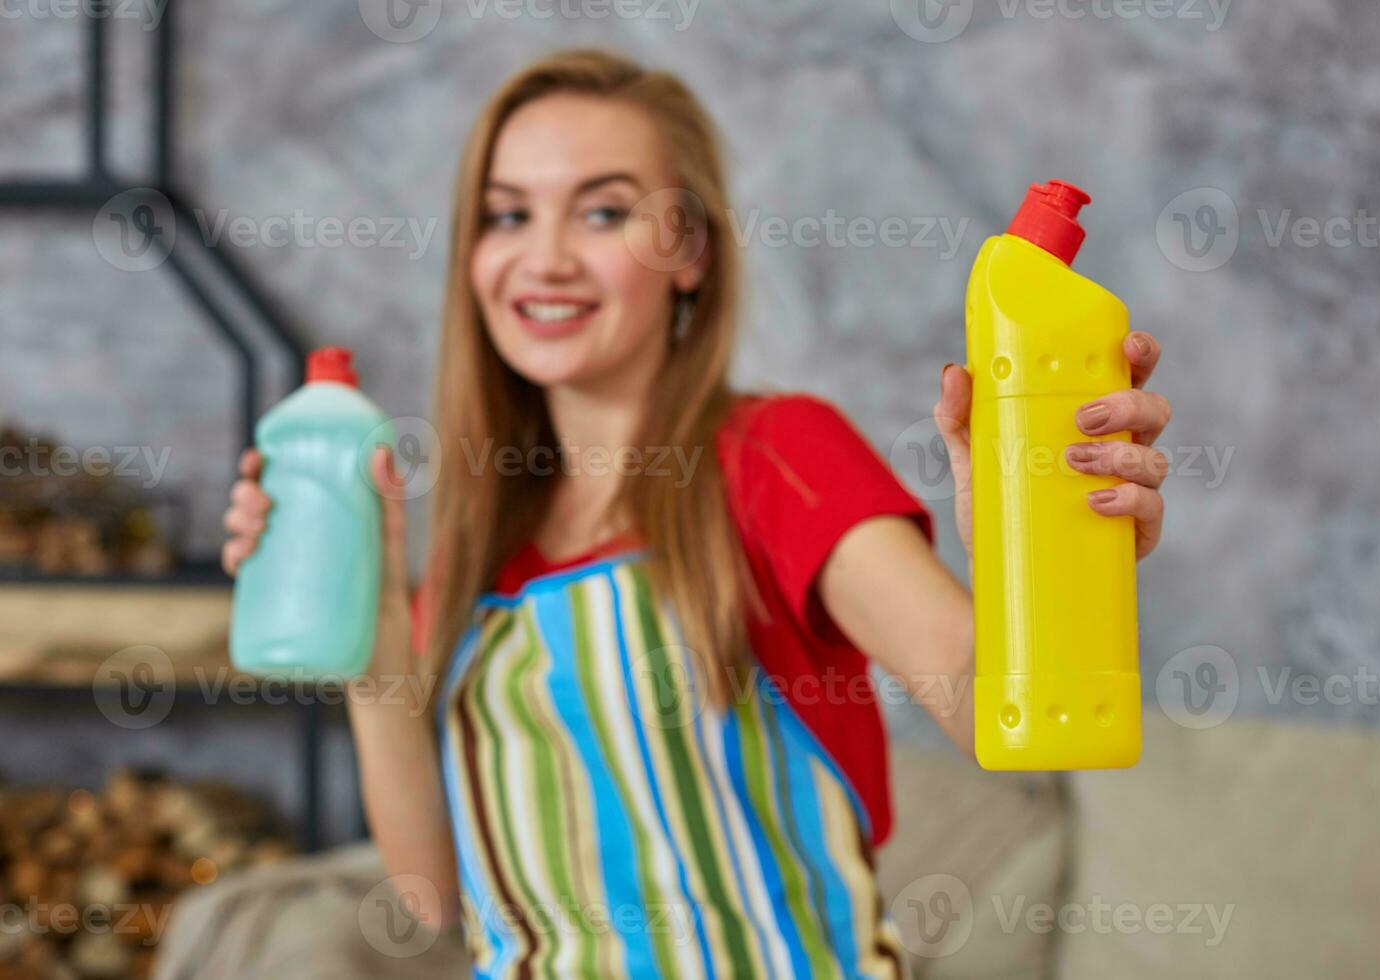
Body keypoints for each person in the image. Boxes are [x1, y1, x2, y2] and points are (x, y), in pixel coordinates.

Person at [221, 47, 1171, 980]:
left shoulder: (775, 457)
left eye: (602, 211)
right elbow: (434, 896)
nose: (542, 257)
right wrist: (378, 638)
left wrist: (1034, 547)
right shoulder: (481, 549)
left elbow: (985, 706)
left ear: (691, 254)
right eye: (507, 214)